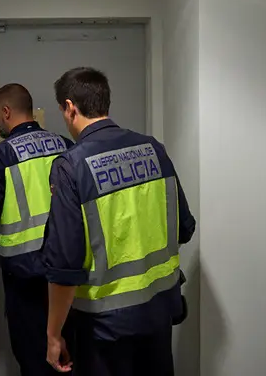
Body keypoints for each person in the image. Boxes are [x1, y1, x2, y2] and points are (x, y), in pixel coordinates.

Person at [42, 68, 197, 375]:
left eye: (63, 111)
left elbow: (65, 267)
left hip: (103, 329)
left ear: (70, 107)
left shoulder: (71, 166)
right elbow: (184, 227)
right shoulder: (153, 149)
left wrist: (53, 333)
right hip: (158, 315)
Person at [0, 83, 74, 376]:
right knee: (72, 359)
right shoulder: (66, 146)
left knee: (35, 361)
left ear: (7, 111)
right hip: (71, 278)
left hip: (27, 282)